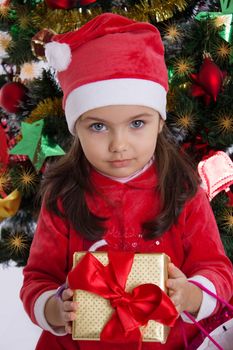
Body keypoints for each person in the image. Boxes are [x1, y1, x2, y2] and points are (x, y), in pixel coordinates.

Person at [20, 12, 233, 350]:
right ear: (76, 128)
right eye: (98, 126)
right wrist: (53, 308)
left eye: (137, 123)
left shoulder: (182, 190)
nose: (119, 145)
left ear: (160, 122)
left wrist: (193, 294)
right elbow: (38, 277)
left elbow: (217, 269)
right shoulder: (63, 196)